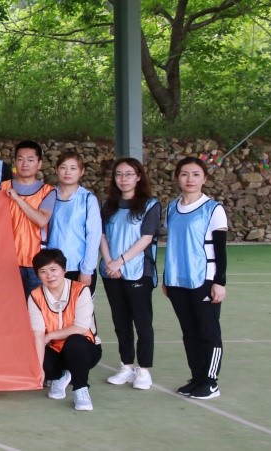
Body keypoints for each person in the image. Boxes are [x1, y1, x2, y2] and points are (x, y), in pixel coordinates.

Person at [163, 156, 228, 400]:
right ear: (177, 178)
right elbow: (173, 245)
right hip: (177, 281)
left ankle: (210, 382)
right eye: (184, 174)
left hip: (204, 280)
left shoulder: (213, 209)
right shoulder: (172, 208)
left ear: (204, 179)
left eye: (196, 174)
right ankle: (197, 378)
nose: (190, 179)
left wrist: (219, 282)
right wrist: (167, 279)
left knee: (208, 332)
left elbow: (220, 250)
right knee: (189, 332)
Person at [99, 158, 160, 390]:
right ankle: (126, 366)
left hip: (138, 272)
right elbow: (102, 235)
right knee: (121, 322)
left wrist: (120, 261)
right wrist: (109, 263)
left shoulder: (150, 205)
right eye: (119, 174)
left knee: (142, 323)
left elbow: (146, 238)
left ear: (138, 177)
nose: (123, 179)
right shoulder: (108, 205)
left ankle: (143, 370)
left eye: (129, 174)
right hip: (112, 273)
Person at [28, 249, 102, 411]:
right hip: (55, 350)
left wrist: (50, 336)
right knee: (33, 352)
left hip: (85, 348)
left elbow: (81, 328)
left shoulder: (81, 290)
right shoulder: (35, 296)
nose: (49, 275)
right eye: (43, 271)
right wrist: (39, 369)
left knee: (75, 342)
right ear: (38, 275)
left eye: (53, 269)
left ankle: (81, 389)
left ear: (64, 270)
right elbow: (38, 334)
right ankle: (60, 376)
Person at [1, 141, 55, 298]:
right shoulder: (2, 188)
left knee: (36, 307)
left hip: (36, 262)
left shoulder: (47, 191)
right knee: (9, 307)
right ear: (15, 162)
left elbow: (41, 220)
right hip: (7, 262)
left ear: (39, 164)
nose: (25, 164)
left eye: (30, 160)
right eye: (20, 159)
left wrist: (17, 199)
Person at [45, 152, 101, 290]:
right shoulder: (48, 195)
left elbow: (93, 236)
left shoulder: (88, 199)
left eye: (73, 168)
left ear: (81, 172)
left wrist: (87, 270)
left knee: (80, 304)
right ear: (57, 170)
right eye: (63, 167)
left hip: (78, 267)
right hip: (51, 267)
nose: (67, 172)